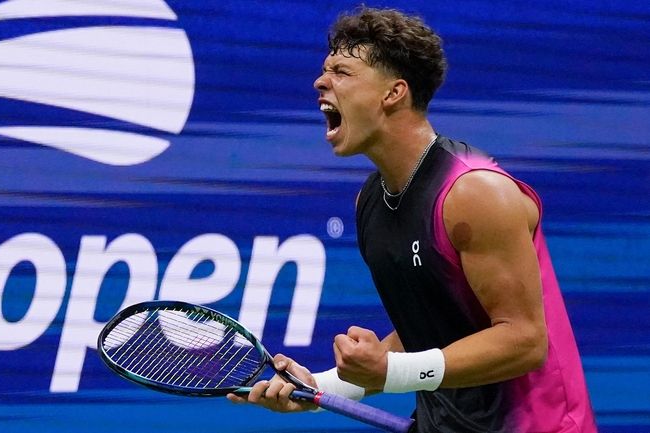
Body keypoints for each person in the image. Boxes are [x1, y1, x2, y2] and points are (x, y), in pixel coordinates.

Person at [227, 6, 597, 432]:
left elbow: (525, 341)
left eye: (342, 72)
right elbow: (434, 329)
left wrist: (390, 372)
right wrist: (320, 388)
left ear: (393, 93)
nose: (320, 81)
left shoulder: (474, 193)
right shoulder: (371, 200)